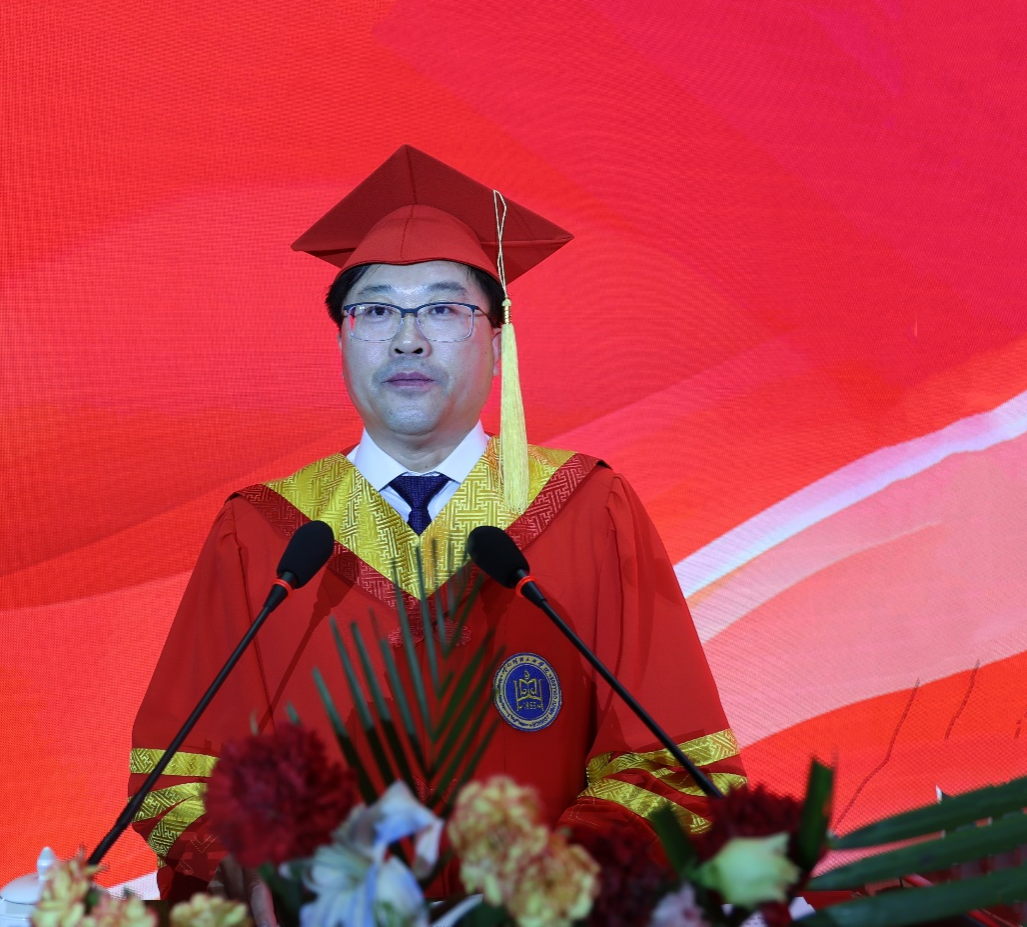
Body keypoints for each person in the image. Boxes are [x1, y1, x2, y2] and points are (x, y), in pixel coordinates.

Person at [129, 146, 746, 917]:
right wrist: (262, 875)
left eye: (444, 309)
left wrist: (541, 884)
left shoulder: (589, 510)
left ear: (498, 338)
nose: (407, 339)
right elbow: (178, 779)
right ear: (341, 339)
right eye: (375, 310)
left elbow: (671, 768)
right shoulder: (264, 535)